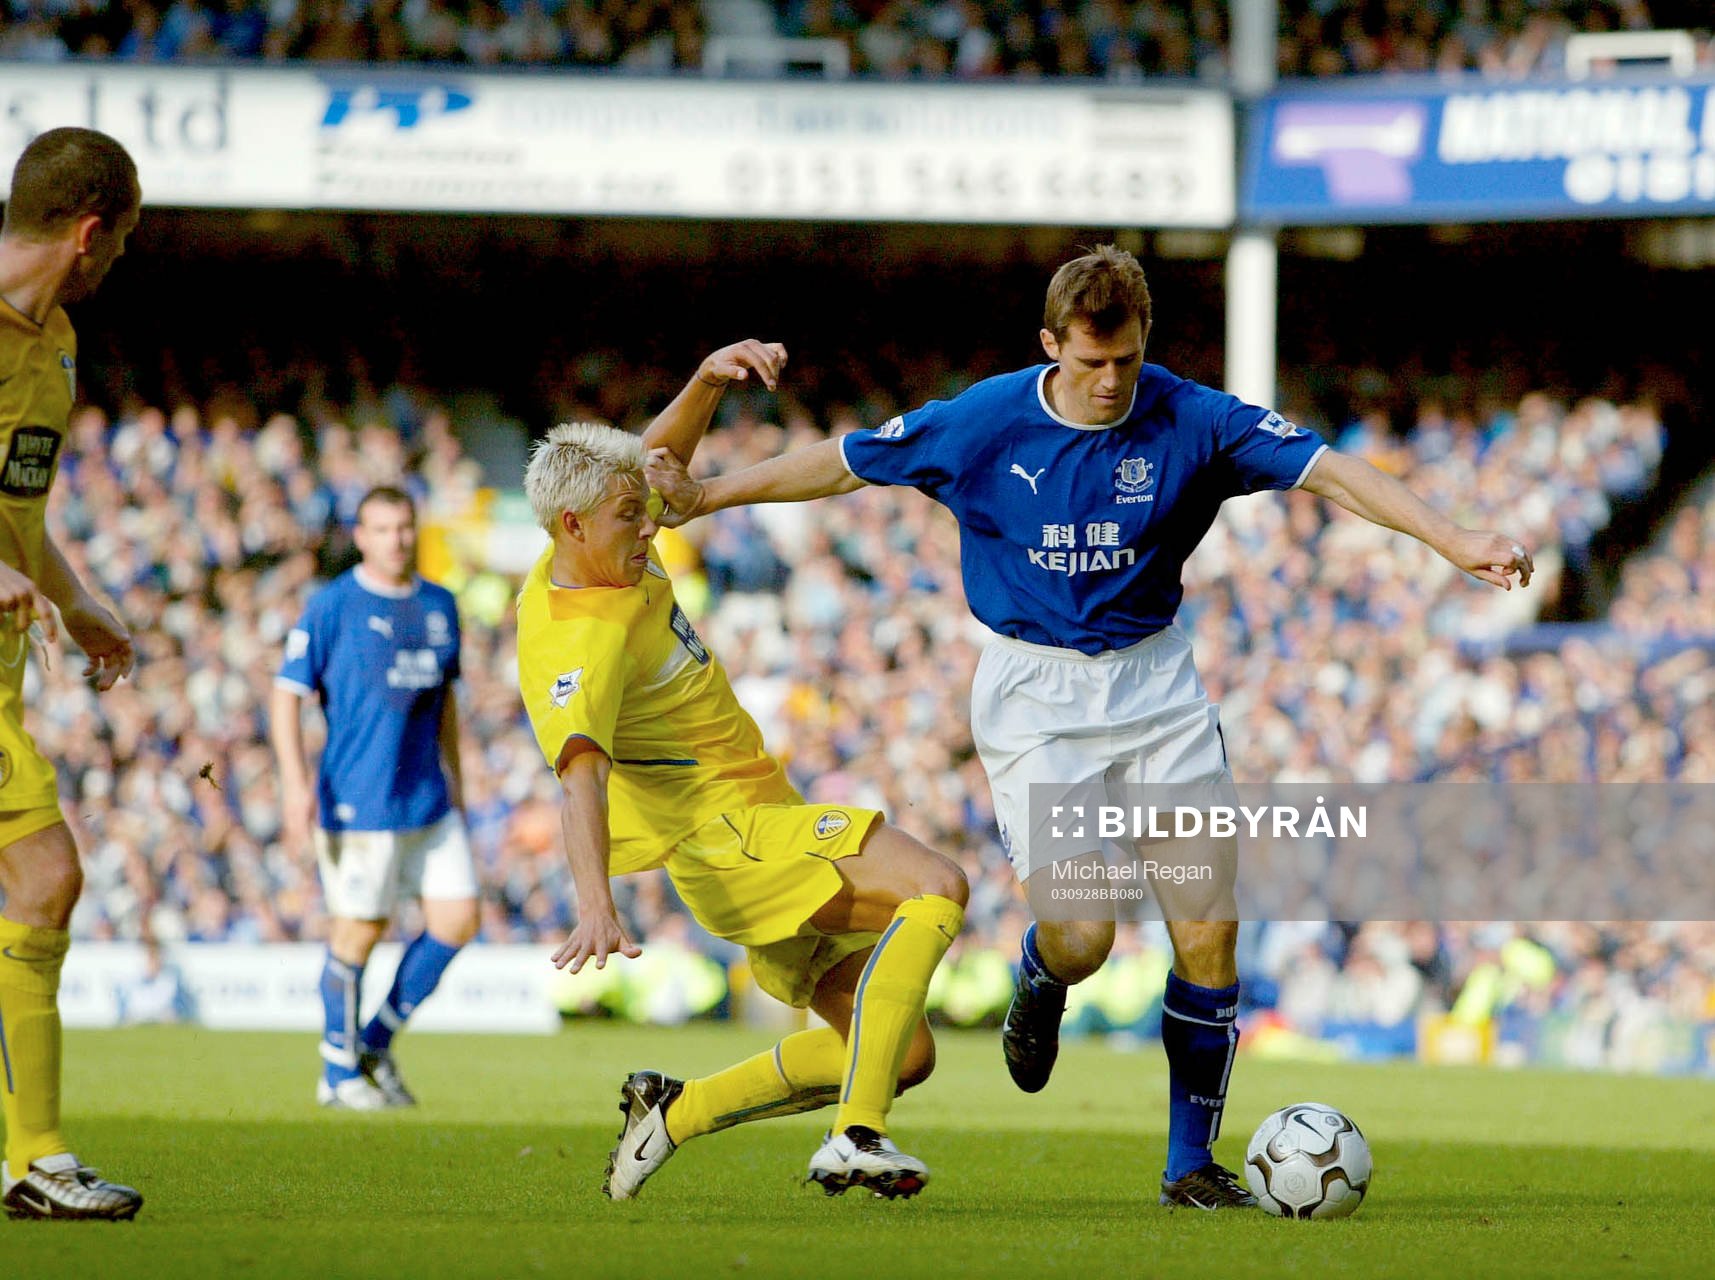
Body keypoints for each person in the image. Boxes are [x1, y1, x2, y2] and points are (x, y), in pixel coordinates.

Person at [644, 247, 1534, 1209]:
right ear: (1050, 345)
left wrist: (1454, 539)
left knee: (1208, 928)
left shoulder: (1193, 416)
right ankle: (1041, 972)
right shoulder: (984, 420)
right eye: (1090, 362)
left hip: (1157, 690)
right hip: (1037, 699)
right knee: (1083, 936)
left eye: (1126, 360)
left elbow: (1333, 473)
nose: (1111, 383)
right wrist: (710, 496)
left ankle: (1188, 1166)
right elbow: (846, 461)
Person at [514, 340, 968, 1201]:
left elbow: (655, 461)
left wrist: (704, 381)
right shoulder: (578, 644)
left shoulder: (597, 543)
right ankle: (854, 1137)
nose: (652, 526)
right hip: (730, 841)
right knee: (935, 883)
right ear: (572, 526)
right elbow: (579, 774)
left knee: (900, 1052)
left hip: (758, 825)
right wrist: (594, 905)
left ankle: (671, 1114)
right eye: (629, 517)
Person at [0, 126, 144, 1222]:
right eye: (123, 242)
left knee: (42, 883)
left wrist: (73, 593)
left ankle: (31, 1156)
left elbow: (17, 507)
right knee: (47, 876)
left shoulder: (54, 347)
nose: (117, 264)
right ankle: (35, 1154)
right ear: (89, 232)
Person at [271, 485, 479, 1110]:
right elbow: (286, 695)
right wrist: (293, 785)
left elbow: (445, 708)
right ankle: (336, 1077)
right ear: (361, 537)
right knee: (357, 933)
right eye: (383, 528)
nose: (397, 539)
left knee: (458, 920)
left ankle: (372, 1043)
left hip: (428, 796)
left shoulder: (441, 605)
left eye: (405, 526)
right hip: (359, 798)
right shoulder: (332, 606)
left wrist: (459, 780)